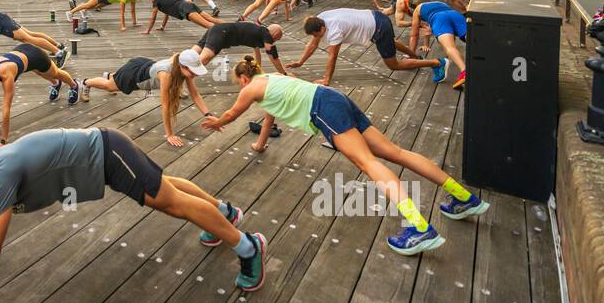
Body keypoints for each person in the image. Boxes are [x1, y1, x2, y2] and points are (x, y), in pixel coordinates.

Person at [0, 129, 266, 303]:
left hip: (108, 157)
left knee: (170, 202)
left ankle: (248, 247)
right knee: (165, 187)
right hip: (108, 151)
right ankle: (224, 214)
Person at [202, 58, 487, 254]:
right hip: (333, 97)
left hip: (324, 109)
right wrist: (260, 143)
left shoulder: (250, 88)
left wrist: (216, 122)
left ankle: (419, 226)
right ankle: (463, 197)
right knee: (396, 153)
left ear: (243, 78)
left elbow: (232, 113)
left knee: (369, 163)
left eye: (239, 82)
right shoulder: (273, 78)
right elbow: (273, 112)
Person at [83, 49, 216, 146]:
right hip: (134, 76)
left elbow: (195, 95)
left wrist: (207, 114)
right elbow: (165, 105)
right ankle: (85, 83)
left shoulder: (182, 67)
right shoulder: (167, 75)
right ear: (182, 66)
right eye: (193, 71)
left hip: (143, 65)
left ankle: (113, 76)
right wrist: (169, 135)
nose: (195, 75)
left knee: (113, 82)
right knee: (109, 87)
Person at [0, 46, 83, 144]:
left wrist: (3, 141)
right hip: (21, 52)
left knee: (55, 73)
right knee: (40, 72)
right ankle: (56, 84)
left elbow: (6, 110)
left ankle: (74, 85)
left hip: (35, 56)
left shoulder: (6, 75)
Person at [293, 9, 445, 86]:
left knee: (393, 65)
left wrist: (326, 79)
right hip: (376, 16)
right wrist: (301, 62)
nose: (317, 38)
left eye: (317, 35)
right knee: (390, 43)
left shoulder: (334, 30)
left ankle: (437, 62)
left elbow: (332, 56)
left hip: (378, 28)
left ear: (321, 28)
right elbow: (313, 43)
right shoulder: (320, 18)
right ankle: (414, 57)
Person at [408, 0, 468, 89]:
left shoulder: (417, 9)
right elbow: (428, 31)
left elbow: (414, 35)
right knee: (471, 40)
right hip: (455, 15)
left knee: (450, 47)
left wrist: (411, 54)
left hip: (439, 18)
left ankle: (465, 72)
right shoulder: (439, 2)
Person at [191, 20, 287, 73]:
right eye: (277, 39)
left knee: (193, 54)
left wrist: (258, 70)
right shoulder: (267, 34)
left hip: (217, 29)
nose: (275, 41)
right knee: (204, 59)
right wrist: (284, 74)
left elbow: (257, 52)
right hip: (222, 33)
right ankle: (182, 76)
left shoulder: (258, 32)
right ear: (275, 35)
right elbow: (273, 56)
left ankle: (180, 65)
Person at [67, 0, 142, 30]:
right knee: (88, 5)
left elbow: (133, 11)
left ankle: (83, 9)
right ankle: (70, 12)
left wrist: (134, 23)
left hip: (109, 0)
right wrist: (123, 26)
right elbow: (122, 12)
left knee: (94, 7)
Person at [144, 0, 220, 33]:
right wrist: (162, 26)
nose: (150, 1)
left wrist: (148, 30)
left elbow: (153, 17)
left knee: (207, 25)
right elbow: (166, 14)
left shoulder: (156, 0)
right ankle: (230, 26)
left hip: (184, 8)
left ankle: (226, 32)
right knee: (212, 20)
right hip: (188, 4)